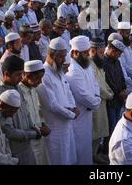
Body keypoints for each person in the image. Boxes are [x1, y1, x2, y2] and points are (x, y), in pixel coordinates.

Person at [36, 37, 78, 165]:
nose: (63, 60)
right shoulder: (44, 75)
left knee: (68, 158)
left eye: (64, 57)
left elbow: (68, 91)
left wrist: (73, 106)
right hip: (55, 128)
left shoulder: (58, 71)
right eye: (60, 57)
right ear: (51, 55)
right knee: (57, 159)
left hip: (66, 126)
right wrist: (71, 114)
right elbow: (52, 105)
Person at [0, 56, 40, 165]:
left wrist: (34, 128)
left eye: (22, 74)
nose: (21, 78)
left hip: (27, 146)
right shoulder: (0, 96)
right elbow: (8, 131)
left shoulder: (17, 87)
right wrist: (33, 134)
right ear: (7, 74)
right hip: (14, 151)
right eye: (18, 74)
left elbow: (26, 113)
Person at [66, 35, 101, 165]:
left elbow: (95, 83)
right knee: (79, 148)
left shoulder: (86, 64)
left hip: (88, 112)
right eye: (85, 53)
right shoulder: (73, 70)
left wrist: (96, 97)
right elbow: (82, 95)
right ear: (75, 53)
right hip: (79, 116)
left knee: (86, 145)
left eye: (88, 52)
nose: (88, 55)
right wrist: (96, 102)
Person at [18, 60, 51, 165]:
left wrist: (43, 124)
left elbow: (37, 111)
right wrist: (38, 130)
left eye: (41, 78)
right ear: (26, 76)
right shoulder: (19, 92)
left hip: (39, 137)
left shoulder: (33, 89)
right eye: (37, 78)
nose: (40, 82)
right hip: (28, 139)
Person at [89, 38, 113, 165]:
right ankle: (92, 156)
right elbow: (96, 86)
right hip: (96, 102)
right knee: (95, 131)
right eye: (100, 52)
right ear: (92, 51)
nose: (103, 54)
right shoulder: (89, 65)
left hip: (103, 102)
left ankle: (96, 154)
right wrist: (108, 94)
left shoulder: (99, 64)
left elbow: (103, 82)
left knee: (101, 130)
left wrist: (110, 91)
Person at [104, 40, 128, 134]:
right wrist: (119, 92)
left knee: (117, 126)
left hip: (119, 99)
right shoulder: (104, 62)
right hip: (111, 100)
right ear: (112, 50)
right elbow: (108, 81)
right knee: (111, 127)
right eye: (118, 53)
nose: (120, 56)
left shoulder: (117, 62)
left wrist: (123, 88)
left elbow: (121, 76)